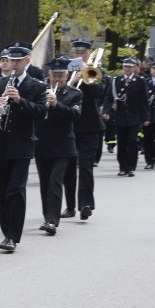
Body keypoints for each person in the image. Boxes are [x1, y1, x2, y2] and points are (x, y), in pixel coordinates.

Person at [0, 41, 47, 253]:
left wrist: (20, 101)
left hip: (21, 145)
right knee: (2, 192)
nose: (15, 64)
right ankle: (6, 230)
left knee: (15, 190)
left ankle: (13, 236)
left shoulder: (36, 86)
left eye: (19, 60)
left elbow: (40, 113)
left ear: (27, 61)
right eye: (12, 60)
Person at [34, 56, 82, 236]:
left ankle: (52, 221)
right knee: (45, 183)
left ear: (67, 75)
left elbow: (74, 115)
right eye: (54, 75)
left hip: (63, 146)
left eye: (61, 75)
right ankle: (47, 216)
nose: (57, 79)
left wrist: (56, 104)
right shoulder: (41, 90)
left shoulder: (74, 94)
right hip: (42, 144)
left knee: (55, 182)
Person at [63, 37, 105, 222]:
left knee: (86, 167)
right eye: (77, 52)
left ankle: (86, 204)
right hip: (69, 126)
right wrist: (72, 82)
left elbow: (98, 94)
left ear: (89, 53)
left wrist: (86, 78)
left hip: (90, 127)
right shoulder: (65, 69)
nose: (80, 54)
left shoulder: (95, 71)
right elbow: (60, 94)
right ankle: (70, 206)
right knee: (68, 169)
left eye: (83, 52)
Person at [102, 57, 148, 177]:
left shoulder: (140, 81)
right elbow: (108, 97)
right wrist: (106, 111)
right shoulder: (116, 80)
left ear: (135, 68)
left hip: (134, 117)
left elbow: (144, 100)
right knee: (121, 143)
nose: (127, 69)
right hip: (120, 116)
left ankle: (131, 167)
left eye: (130, 66)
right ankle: (122, 167)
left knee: (133, 141)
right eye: (125, 66)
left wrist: (145, 117)